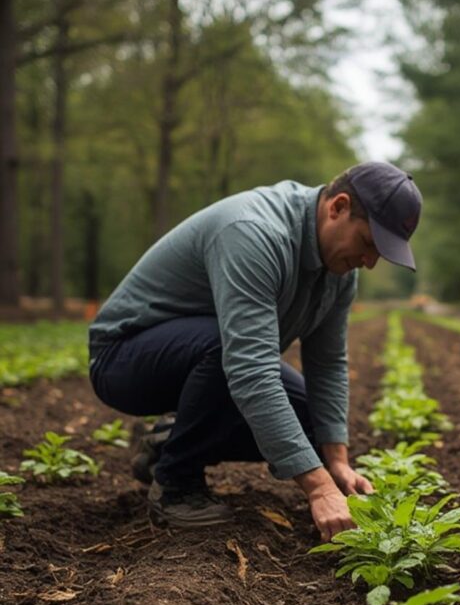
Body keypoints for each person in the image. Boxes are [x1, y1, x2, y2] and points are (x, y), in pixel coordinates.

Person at [88, 161, 422, 535]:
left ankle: (169, 441)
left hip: (208, 359)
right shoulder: (253, 233)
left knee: (312, 427)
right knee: (231, 351)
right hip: (124, 358)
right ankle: (176, 484)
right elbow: (250, 369)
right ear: (338, 207)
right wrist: (319, 489)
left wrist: (336, 463)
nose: (370, 262)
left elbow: (327, 364)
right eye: (367, 244)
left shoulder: (339, 273)